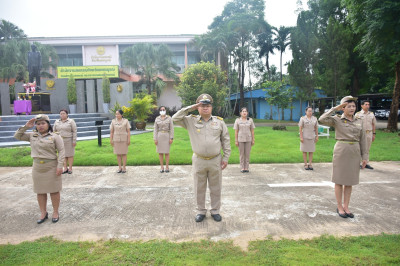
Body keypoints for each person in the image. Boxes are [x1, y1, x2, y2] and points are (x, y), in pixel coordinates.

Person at [172, 94, 231, 223]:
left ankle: (215, 210)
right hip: (199, 160)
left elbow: (226, 140)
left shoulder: (219, 122)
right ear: (198, 107)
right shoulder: (190, 121)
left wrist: (226, 158)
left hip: (215, 159)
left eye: (208, 106)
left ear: (211, 107)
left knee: (216, 187)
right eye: (202, 105)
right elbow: (175, 118)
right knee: (199, 187)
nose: (205, 108)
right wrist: (191, 108)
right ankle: (200, 211)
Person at [319, 96, 367, 219]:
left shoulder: (359, 120)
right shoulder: (337, 120)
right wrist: (335, 108)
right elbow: (322, 119)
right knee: (339, 180)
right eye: (349, 106)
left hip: (354, 152)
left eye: (353, 106)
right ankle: (339, 206)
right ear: (343, 108)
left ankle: (346, 206)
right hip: (341, 150)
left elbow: (363, 139)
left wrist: (364, 156)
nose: (352, 108)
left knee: (350, 181)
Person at [14, 114, 65, 223]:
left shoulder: (55, 136)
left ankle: (55, 212)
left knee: (54, 191)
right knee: (40, 191)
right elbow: (17, 136)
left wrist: (60, 166)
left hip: (51, 166)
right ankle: (43, 212)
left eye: (43, 123)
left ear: (48, 124)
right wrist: (26, 126)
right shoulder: (32, 135)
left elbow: (61, 151)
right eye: (38, 124)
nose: (40, 126)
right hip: (37, 168)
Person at [53, 109, 77, 174]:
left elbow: (74, 131)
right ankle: (65, 168)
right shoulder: (57, 122)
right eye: (61, 114)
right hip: (59, 140)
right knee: (62, 155)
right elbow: (54, 131)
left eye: (64, 113)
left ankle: (70, 168)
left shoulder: (71, 121)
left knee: (70, 155)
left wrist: (74, 141)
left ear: (67, 114)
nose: (62, 115)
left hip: (69, 140)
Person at [355, 100, 376, 169]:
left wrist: (374, 133)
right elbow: (355, 124)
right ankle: (358, 163)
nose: (367, 106)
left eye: (368, 104)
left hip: (369, 133)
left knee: (367, 148)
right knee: (359, 148)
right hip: (361, 133)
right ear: (362, 105)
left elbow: (373, 124)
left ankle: (366, 163)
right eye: (366, 104)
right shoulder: (358, 114)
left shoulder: (371, 114)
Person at [233, 107, 255, 173]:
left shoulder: (250, 120)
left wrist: (253, 140)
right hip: (240, 139)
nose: (244, 112)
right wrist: (236, 140)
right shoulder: (237, 120)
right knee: (242, 154)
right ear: (240, 113)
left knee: (247, 154)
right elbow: (236, 131)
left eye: (245, 111)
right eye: (243, 111)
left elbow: (252, 131)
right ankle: (242, 167)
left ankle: (246, 167)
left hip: (248, 139)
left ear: (247, 113)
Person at [153, 106, 174, 173]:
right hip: (159, 136)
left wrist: (171, 138)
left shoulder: (169, 118)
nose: (162, 110)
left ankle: (167, 167)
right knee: (160, 153)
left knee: (167, 152)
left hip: (166, 136)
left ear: (165, 110)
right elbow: (155, 129)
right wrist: (155, 139)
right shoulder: (157, 119)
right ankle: (162, 167)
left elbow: (172, 129)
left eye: (163, 109)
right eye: (161, 110)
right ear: (159, 111)